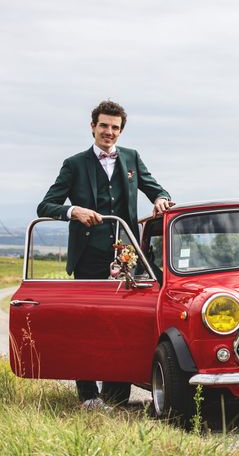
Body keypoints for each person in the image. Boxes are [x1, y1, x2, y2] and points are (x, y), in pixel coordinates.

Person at [36, 100, 173, 404]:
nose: (108, 132)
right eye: (104, 126)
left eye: (114, 127)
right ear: (93, 127)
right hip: (88, 256)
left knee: (121, 324)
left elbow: (156, 189)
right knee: (87, 325)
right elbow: (45, 205)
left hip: (127, 256)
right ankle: (88, 395)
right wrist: (74, 211)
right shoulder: (74, 164)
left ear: (120, 131)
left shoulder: (132, 158)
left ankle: (116, 395)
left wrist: (162, 199)